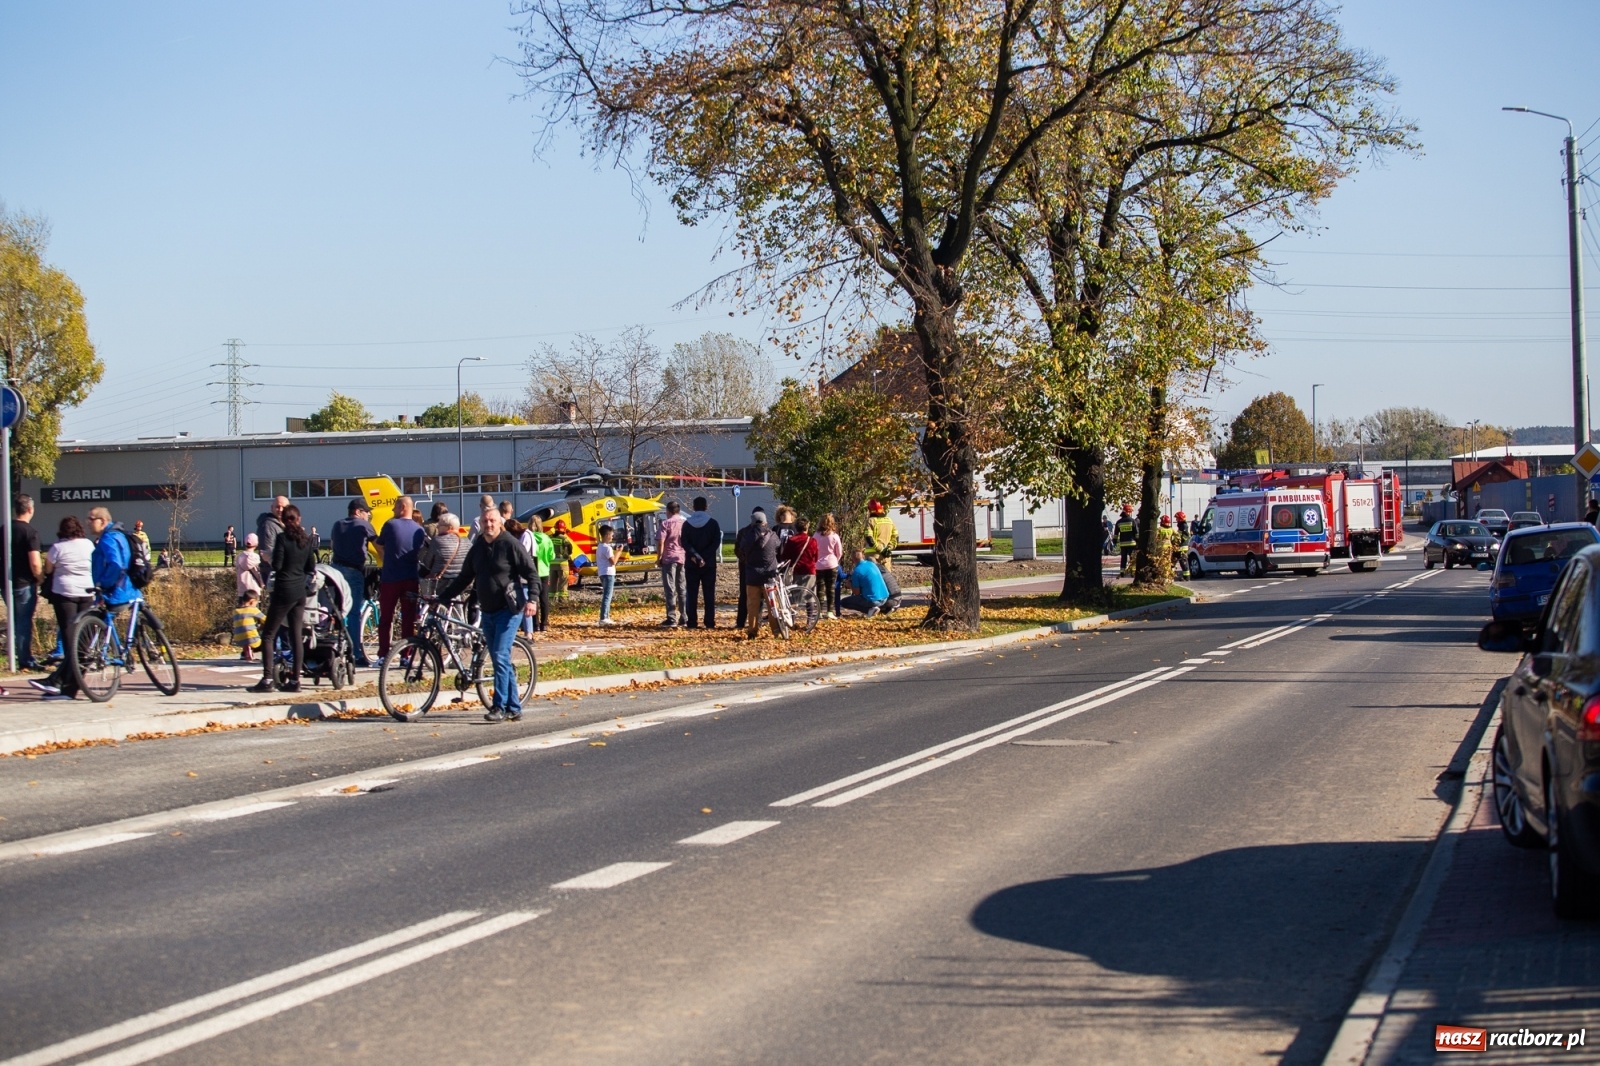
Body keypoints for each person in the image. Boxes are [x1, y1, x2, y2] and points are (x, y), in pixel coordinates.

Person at [437, 506, 539, 722]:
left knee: (500, 656)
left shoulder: (510, 544)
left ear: (500, 522)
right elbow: (464, 577)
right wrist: (443, 597)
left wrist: (533, 599)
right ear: (480, 524)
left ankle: (499, 707)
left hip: (509, 610)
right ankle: (514, 707)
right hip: (488, 611)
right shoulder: (478, 547)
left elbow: (531, 573)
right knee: (499, 658)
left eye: (492, 521)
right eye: (485, 521)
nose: (489, 525)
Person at [248, 504, 317, 693]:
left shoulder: (282, 538)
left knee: (268, 634)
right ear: (299, 519)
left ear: (283, 521)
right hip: (300, 592)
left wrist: (269, 558)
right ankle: (295, 681)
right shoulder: (306, 540)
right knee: (296, 636)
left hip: (283, 590)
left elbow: (277, 565)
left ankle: (267, 679)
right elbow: (310, 567)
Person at [30, 516, 94, 699]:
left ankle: (60, 682)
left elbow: (48, 570)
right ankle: (68, 682)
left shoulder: (57, 548)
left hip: (65, 593)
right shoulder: (88, 545)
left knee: (69, 636)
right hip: (87, 592)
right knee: (82, 639)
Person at [375, 495, 425, 661]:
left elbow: (379, 544)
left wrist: (385, 557)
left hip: (390, 577)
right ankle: (406, 655)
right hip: (411, 578)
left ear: (403, 507)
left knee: (386, 617)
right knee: (408, 619)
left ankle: (383, 654)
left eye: (395, 506)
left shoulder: (391, 525)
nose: (393, 509)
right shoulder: (419, 530)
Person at [329, 499, 378, 667]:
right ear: (358, 511)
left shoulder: (337, 524)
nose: (368, 515)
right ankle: (355, 654)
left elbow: (333, 545)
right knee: (354, 613)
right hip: (353, 570)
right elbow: (378, 545)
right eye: (366, 512)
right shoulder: (363, 525)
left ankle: (337, 647)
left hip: (335, 570)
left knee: (339, 610)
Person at [734, 507, 780, 639]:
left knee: (752, 606)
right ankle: (776, 630)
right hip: (769, 576)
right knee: (773, 605)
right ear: (765, 522)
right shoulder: (773, 535)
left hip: (752, 575)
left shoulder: (746, 536)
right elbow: (778, 547)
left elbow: (741, 551)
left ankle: (752, 632)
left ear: (752, 522)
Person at [11, 493, 43, 670]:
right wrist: (40, 578)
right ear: (30, 509)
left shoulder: (5, 529)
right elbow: (35, 563)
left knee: (15, 620)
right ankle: (25, 659)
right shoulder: (30, 532)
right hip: (24, 584)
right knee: (23, 621)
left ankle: (15, 654)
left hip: (8, 582)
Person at [681, 496, 721, 629]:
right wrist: (704, 557)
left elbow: (684, 542)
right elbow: (715, 542)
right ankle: (709, 622)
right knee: (709, 593)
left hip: (691, 563)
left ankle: (692, 622)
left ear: (693, 507)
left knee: (691, 593)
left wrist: (696, 556)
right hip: (709, 564)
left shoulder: (687, 524)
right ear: (706, 507)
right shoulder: (713, 523)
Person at [418, 511, 470, 602]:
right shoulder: (467, 542)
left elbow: (427, 563)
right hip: (461, 581)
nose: (437, 527)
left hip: (440, 581)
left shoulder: (437, 541)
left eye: (440, 525)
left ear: (449, 527)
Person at [734, 506, 765, 630]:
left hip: (746, 567)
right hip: (759, 568)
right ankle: (757, 621)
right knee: (759, 596)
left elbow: (737, 550)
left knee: (744, 595)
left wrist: (746, 560)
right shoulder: (767, 532)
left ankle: (741, 622)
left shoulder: (743, 532)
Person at [657, 500, 687, 627]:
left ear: (668, 511)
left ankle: (671, 617)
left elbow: (661, 541)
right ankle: (684, 616)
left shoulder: (665, 523)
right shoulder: (684, 523)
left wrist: (659, 557)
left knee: (670, 588)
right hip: (682, 557)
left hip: (669, 558)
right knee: (682, 587)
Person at [839, 549, 890, 617]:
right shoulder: (872, 564)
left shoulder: (857, 571)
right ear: (863, 556)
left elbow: (857, 593)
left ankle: (869, 610)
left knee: (844, 602)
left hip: (873, 600)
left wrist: (850, 585)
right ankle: (880, 608)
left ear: (852, 560)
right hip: (885, 597)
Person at [813, 513, 843, 620]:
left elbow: (813, 549)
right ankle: (830, 611)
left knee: (820, 589)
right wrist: (835, 560)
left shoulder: (816, 535)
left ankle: (820, 612)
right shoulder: (834, 536)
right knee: (831, 589)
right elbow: (839, 552)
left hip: (818, 565)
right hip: (831, 564)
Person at [256, 495, 287, 587]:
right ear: (272, 508)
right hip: (274, 574)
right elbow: (267, 553)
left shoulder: (283, 524)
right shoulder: (268, 526)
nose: (280, 510)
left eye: (283, 507)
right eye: (277, 507)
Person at [233, 590, 264, 662]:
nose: (256, 604)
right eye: (256, 602)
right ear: (252, 601)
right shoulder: (253, 610)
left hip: (238, 639)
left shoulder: (236, 611)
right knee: (267, 639)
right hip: (252, 639)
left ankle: (245, 653)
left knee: (245, 632)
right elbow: (266, 620)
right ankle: (267, 656)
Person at [595, 524, 618, 624]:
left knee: (606, 594)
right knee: (607, 595)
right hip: (608, 573)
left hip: (602, 572)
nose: (612, 537)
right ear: (607, 535)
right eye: (611, 535)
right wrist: (618, 552)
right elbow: (613, 562)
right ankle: (604, 617)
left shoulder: (600, 546)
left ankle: (606, 616)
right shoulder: (607, 548)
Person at [865, 500, 898, 569]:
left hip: (873, 557)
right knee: (887, 575)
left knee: (873, 575)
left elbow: (869, 538)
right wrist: (888, 549)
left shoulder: (870, 521)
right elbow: (895, 537)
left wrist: (881, 550)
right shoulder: (890, 521)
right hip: (886, 556)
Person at [549, 521, 574, 604]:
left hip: (552, 565)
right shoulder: (564, 538)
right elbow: (570, 547)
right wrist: (567, 554)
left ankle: (551, 601)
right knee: (563, 583)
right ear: (564, 529)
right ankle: (562, 601)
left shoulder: (550, 538)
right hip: (562, 565)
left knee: (552, 583)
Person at [235, 533, 263, 598]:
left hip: (242, 590)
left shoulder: (239, 557)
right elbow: (259, 572)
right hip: (254, 589)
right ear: (256, 544)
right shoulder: (256, 557)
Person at [1114, 504, 1138, 572]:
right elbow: (1136, 533)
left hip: (1123, 544)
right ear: (1129, 512)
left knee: (1123, 558)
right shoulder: (1132, 521)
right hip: (1132, 543)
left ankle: (1122, 571)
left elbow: (1115, 534)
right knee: (1132, 558)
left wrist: (1115, 541)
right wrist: (1138, 541)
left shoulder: (1119, 522)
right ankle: (1133, 571)